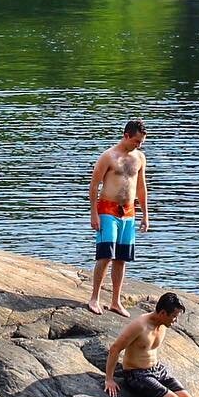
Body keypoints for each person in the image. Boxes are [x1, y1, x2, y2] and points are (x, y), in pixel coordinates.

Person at [103, 293, 198, 397]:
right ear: (163, 313)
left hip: (157, 370)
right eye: (174, 317)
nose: (175, 321)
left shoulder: (162, 325)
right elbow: (115, 349)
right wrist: (109, 379)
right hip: (136, 374)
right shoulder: (140, 325)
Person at [87, 119, 149, 316]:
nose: (138, 145)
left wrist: (146, 214)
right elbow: (94, 184)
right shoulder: (108, 156)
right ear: (126, 136)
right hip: (107, 209)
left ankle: (115, 301)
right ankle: (94, 298)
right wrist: (94, 213)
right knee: (106, 255)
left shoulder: (139, 157)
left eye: (141, 142)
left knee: (121, 258)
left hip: (129, 211)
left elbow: (141, 187)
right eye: (136, 141)